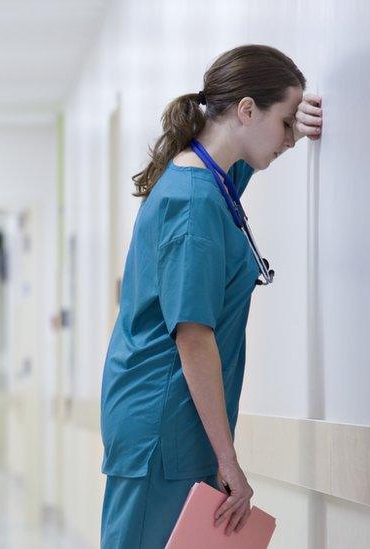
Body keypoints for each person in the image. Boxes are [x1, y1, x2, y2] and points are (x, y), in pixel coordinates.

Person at [99, 44, 323, 548]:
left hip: (172, 422)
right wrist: (229, 460)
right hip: (162, 428)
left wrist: (298, 123)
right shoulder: (195, 205)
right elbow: (193, 336)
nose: (290, 138)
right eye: (285, 122)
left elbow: (242, 167)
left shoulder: (205, 180)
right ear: (246, 110)